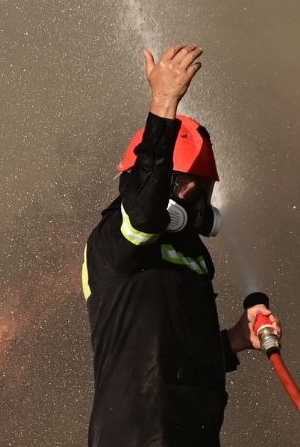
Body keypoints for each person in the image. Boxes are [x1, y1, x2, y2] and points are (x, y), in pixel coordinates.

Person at [82, 44, 281, 446]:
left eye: (200, 186)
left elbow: (178, 358)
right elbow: (143, 212)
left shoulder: (192, 257)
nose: (194, 193)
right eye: (185, 181)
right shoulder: (118, 241)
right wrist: (163, 103)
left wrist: (233, 341)